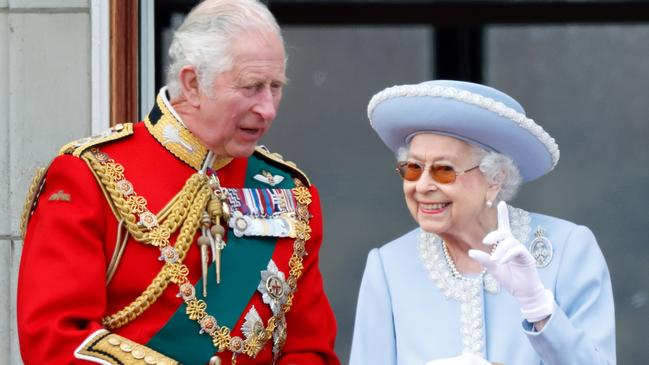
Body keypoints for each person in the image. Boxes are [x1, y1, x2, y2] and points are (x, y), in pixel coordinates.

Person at [17, 1, 340, 364]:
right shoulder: (92, 176)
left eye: (275, 87)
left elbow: (310, 349)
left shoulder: (289, 193)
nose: (268, 108)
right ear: (192, 83)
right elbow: (54, 342)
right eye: (252, 87)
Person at [349, 80, 615, 365]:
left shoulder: (568, 249)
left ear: (495, 179)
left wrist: (540, 310)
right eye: (413, 168)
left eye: (444, 170)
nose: (422, 186)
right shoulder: (388, 266)